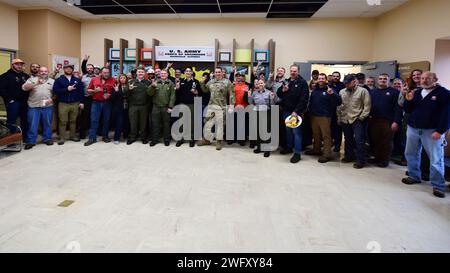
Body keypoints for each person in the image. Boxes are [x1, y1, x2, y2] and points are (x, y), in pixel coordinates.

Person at [402, 72, 449, 198]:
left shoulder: (444, 93)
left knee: (435, 158)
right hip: (413, 128)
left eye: (428, 78)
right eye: (422, 78)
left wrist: (440, 131)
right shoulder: (417, 92)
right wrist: (408, 100)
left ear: (435, 79)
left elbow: (447, 114)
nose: (424, 80)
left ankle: (438, 185)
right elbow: (408, 110)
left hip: (432, 131)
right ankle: (414, 176)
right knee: (410, 153)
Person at [276, 65, 309, 163]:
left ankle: (297, 153)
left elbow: (304, 99)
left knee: (296, 132)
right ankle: (289, 147)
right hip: (286, 111)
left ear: (298, 71)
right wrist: (283, 90)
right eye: (291, 71)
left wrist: (296, 111)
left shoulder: (302, 83)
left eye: (294, 71)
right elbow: (279, 94)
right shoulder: (287, 81)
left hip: (296, 112)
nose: (293, 73)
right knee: (288, 131)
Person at [337, 74, 371, 169]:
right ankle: (349, 156)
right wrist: (339, 118)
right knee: (348, 139)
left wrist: (361, 117)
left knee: (359, 141)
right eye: (345, 83)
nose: (346, 85)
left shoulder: (363, 91)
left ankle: (361, 160)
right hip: (345, 119)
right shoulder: (342, 92)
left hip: (357, 119)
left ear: (354, 82)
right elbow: (339, 106)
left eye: (348, 83)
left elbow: (367, 106)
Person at [368, 73, 402, 167]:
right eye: (381, 79)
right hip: (374, 120)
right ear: (378, 80)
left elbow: (398, 107)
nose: (382, 80)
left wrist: (396, 121)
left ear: (388, 80)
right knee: (376, 140)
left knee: (386, 141)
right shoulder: (373, 91)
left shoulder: (394, 92)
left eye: (385, 79)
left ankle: (385, 160)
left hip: (388, 121)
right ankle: (377, 158)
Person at [306, 73, 342, 163]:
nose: (321, 80)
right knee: (316, 134)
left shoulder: (330, 89)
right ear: (317, 79)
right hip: (314, 115)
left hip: (325, 116)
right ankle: (316, 150)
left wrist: (332, 94)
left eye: (323, 78)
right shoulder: (315, 90)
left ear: (326, 80)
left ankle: (326, 154)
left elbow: (339, 101)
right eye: (319, 78)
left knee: (326, 136)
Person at [197, 67, 235, 151]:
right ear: (214, 73)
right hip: (211, 106)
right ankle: (207, 140)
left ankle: (218, 141)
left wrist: (232, 105)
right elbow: (205, 90)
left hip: (221, 106)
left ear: (222, 73)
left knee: (220, 125)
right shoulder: (211, 81)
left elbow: (232, 94)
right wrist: (202, 83)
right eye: (216, 72)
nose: (217, 73)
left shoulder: (227, 82)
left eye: (219, 72)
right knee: (207, 123)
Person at [22, 66, 54, 149]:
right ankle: (31, 141)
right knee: (32, 124)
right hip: (34, 106)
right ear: (39, 72)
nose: (43, 73)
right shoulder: (32, 80)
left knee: (47, 123)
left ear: (48, 72)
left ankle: (47, 138)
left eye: (45, 71)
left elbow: (57, 92)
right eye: (42, 71)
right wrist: (36, 83)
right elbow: (24, 88)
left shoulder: (52, 81)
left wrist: (52, 98)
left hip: (47, 106)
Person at [52, 64, 84, 145]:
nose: (69, 70)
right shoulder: (59, 80)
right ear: (64, 69)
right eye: (67, 68)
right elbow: (55, 90)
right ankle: (62, 138)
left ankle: (72, 136)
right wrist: (67, 89)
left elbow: (81, 92)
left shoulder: (77, 80)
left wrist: (81, 102)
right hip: (63, 103)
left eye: (70, 68)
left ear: (72, 70)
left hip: (75, 103)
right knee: (63, 121)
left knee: (73, 121)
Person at [84, 67, 115, 146]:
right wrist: (95, 91)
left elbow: (116, 92)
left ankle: (105, 136)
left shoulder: (113, 80)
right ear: (101, 72)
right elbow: (88, 90)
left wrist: (110, 95)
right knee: (94, 120)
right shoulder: (94, 79)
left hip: (107, 103)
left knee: (106, 120)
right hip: (96, 102)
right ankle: (92, 138)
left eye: (107, 72)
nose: (106, 74)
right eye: (104, 72)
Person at [0, 59, 30, 138]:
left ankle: (25, 137)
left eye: (21, 64)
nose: (19, 66)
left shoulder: (25, 76)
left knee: (25, 120)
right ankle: (11, 140)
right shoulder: (5, 76)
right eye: (17, 64)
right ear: (12, 65)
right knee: (11, 121)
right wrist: (10, 100)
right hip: (13, 102)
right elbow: (2, 89)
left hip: (24, 102)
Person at [248, 79, 276, 158]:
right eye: (259, 83)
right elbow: (251, 103)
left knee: (266, 131)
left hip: (266, 112)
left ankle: (267, 149)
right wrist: (249, 96)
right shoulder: (254, 93)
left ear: (264, 84)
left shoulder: (269, 93)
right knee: (258, 131)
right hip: (257, 112)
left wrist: (272, 98)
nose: (260, 84)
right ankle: (259, 147)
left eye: (262, 83)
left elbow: (273, 104)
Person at [174, 67, 201, 147]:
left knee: (192, 123)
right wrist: (177, 88)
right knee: (182, 122)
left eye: (190, 71)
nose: (188, 72)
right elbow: (177, 94)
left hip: (192, 104)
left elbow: (199, 93)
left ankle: (191, 139)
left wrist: (196, 92)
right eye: (187, 71)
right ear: (184, 72)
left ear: (192, 72)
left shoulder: (196, 82)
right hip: (182, 104)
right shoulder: (181, 81)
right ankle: (181, 138)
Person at [148, 70, 176, 146]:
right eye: (162, 73)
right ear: (159, 75)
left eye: (165, 73)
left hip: (166, 107)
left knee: (166, 124)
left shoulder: (170, 83)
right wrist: (152, 87)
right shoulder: (155, 82)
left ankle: (166, 140)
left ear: (167, 75)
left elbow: (172, 96)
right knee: (155, 124)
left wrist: (170, 107)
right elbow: (149, 93)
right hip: (156, 107)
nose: (163, 74)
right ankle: (154, 140)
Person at [124, 67, 151, 145]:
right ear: (136, 73)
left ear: (144, 73)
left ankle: (143, 137)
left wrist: (148, 106)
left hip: (144, 106)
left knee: (143, 123)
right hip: (133, 106)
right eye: (139, 72)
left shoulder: (147, 82)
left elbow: (150, 95)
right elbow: (125, 93)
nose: (140, 73)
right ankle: (132, 137)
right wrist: (129, 89)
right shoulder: (131, 82)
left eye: (142, 72)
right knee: (133, 123)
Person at [266, 67, 286, 151]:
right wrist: (269, 78)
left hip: (282, 106)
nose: (279, 72)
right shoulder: (273, 82)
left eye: (281, 71)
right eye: (278, 71)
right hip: (273, 105)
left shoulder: (286, 82)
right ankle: (274, 144)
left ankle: (283, 145)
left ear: (284, 72)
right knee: (273, 126)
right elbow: (267, 86)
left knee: (282, 127)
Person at [229, 71, 249, 146]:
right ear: (236, 78)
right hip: (233, 107)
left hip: (243, 108)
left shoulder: (247, 86)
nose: (239, 77)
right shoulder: (233, 85)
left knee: (242, 124)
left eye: (241, 76)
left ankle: (241, 139)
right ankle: (232, 138)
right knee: (233, 124)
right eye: (238, 76)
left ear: (244, 78)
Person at [79, 55, 96, 139]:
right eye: (88, 68)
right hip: (85, 98)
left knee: (93, 116)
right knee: (84, 116)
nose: (89, 69)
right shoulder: (83, 76)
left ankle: (93, 132)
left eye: (91, 68)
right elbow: (83, 68)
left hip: (94, 99)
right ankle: (82, 134)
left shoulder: (97, 77)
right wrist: (85, 60)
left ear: (93, 69)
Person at [328, 71, 345, 153]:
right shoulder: (328, 85)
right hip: (329, 110)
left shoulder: (343, 86)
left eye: (337, 76)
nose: (335, 77)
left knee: (338, 130)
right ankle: (330, 144)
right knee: (329, 129)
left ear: (339, 77)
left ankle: (337, 146)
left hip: (339, 111)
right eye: (334, 76)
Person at [111, 74, 129, 145]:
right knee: (119, 122)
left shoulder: (129, 86)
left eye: (124, 78)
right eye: (121, 78)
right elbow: (112, 98)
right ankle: (116, 138)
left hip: (128, 106)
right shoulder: (116, 86)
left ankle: (126, 135)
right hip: (119, 107)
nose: (122, 79)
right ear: (119, 79)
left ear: (126, 79)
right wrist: (116, 91)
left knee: (127, 122)